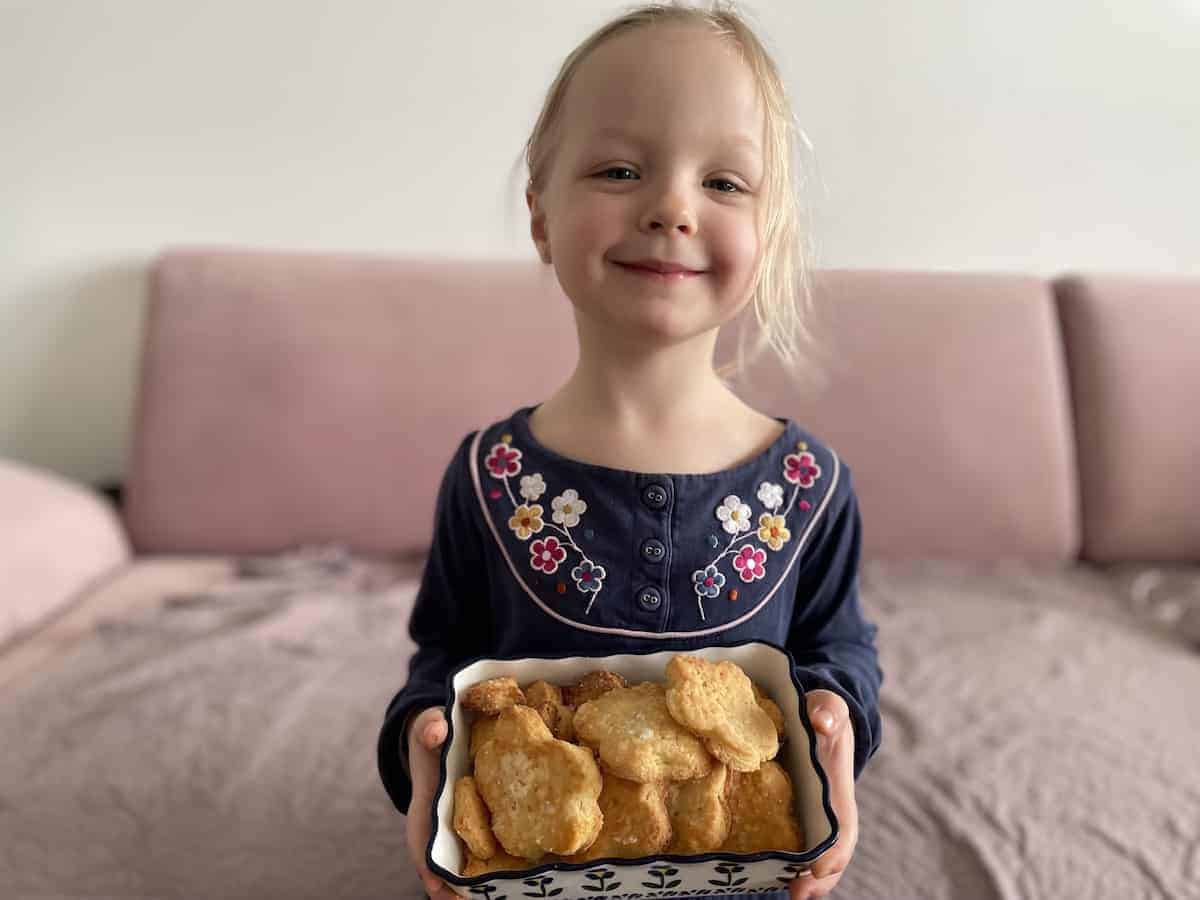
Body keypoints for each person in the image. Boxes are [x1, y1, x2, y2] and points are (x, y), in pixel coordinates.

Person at [376, 3, 882, 898]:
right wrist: (427, 740)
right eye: (619, 169)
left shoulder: (813, 487)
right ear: (541, 216)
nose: (672, 207)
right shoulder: (490, 477)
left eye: (725, 184)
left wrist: (835, 717)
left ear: (769, 240)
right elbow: (443, 656)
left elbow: (836, 644)